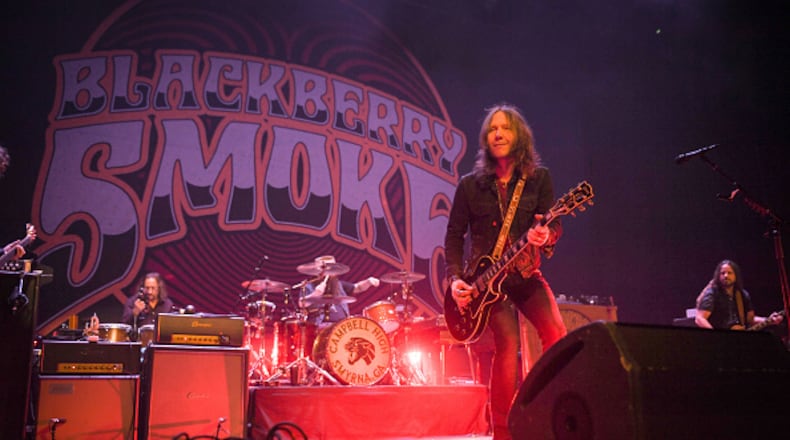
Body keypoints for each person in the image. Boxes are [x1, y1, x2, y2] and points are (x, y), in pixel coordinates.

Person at [444, 103, 567, 440]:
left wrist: (546, 236)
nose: (497, 134)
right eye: (492, 129)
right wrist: (455, 279)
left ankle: (544, 409)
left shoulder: (538, 179)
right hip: (486, 283)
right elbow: (454, 237)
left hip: (524, 274)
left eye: (505, 128)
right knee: (508, 343)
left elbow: (553, 225)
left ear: (519, 135)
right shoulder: (470, 185)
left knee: (556, 332)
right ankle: (502, 431)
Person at [695, 259, 784, 330]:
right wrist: (716, 335)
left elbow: (750, 319)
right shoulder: (712, 293)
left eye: (729, 273)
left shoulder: (742, 295)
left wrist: (769, 320)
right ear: (718, 276)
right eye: (722, 273)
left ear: (736, 276)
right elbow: (700, 319)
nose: (726, 276)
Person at [300, 255, 379, 327]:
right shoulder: (309, 286)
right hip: (319, 327)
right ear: (317, 272)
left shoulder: (339, 284)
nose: (330, 272)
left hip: (342, 327)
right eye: (326, 269)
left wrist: (368, 282)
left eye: (332, 269)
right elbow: (301, 303)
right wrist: (316, 293)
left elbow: (358, 287)